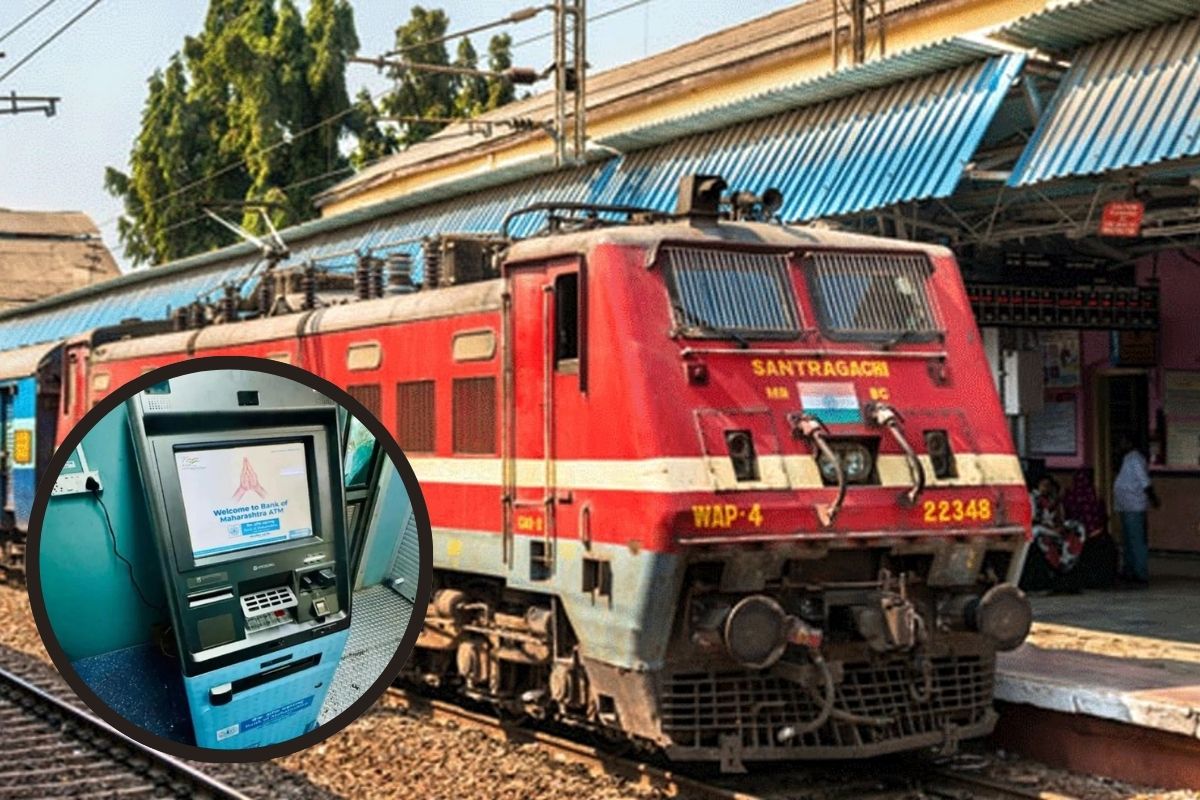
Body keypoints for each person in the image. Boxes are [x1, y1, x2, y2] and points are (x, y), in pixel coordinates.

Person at [1112, 436, 1159, 586]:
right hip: (1125, 505)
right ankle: (1129, 570)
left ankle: (1140, 573)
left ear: (1130, 443)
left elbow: (1144, 480)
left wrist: (1153, 498)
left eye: (1122, 442)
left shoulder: (1136, 458)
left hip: (1134, 505)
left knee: (1137, 541)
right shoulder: (1126, 458)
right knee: (1127, 541)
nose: (1120, 445)